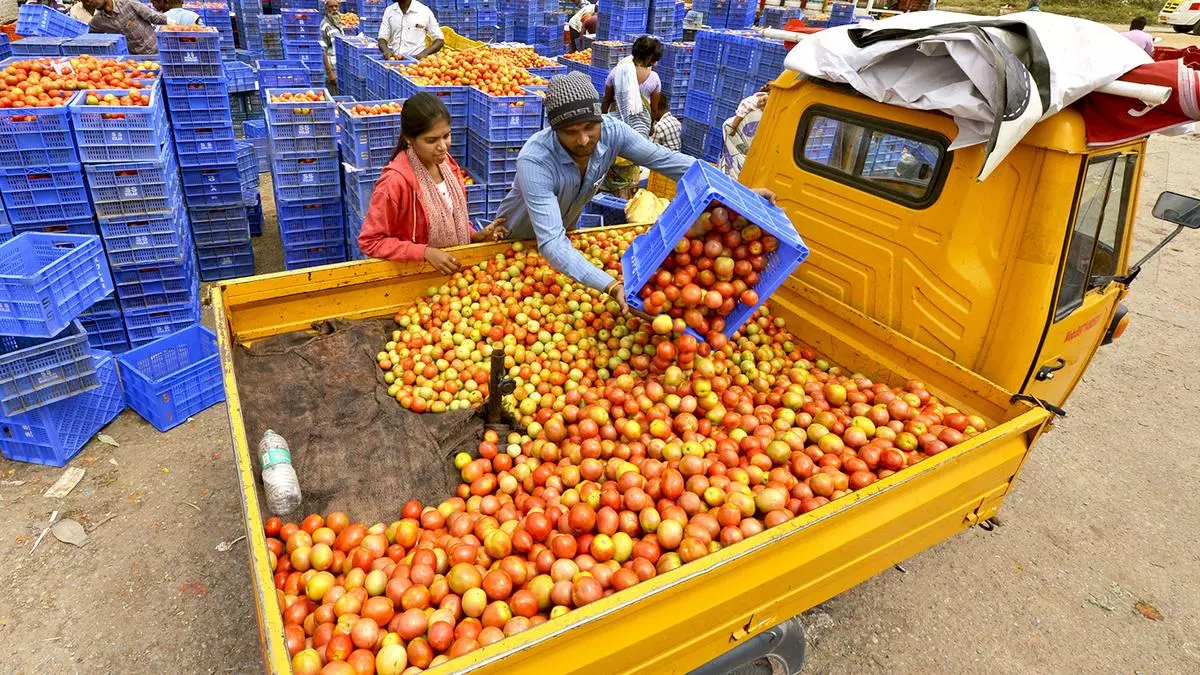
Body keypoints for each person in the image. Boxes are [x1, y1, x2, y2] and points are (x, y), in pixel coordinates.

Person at [492, 72, 775, 313]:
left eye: (590, 127)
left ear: (600, 117)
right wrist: (611, 284)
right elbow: (550, 241)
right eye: (570, 132)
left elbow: (668, 161)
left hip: (565, 240)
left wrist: (739, 191)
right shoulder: (535, 160)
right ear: (554, 130)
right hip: (512, 243)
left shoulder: (613, 132)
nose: (583, 140)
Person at [358, 93, 504, 272]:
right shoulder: (394, 182)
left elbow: (452, 220)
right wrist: (425, 252)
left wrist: (475, 236)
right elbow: (370, 242)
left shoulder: (448, 166)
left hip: (454, 274)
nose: (442, 146)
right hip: (414, 277)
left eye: (446, 136)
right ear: (408, 139)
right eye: (431, 140)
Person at [602, 35, 662, 137]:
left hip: (617, 125)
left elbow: (606, 100)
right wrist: (651, 125)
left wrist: (603, 119)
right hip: (640, 129)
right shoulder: (654, 78)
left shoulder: (617, 72)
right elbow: (654, 109)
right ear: (649, 57)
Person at [718, 86, 769, 179]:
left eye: (765, 102)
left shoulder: (765, 112)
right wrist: (733, 128)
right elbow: (738, 117)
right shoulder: (750, 103)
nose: (762, 103)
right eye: (763, 100)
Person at [83, 0, 167, 55]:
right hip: (134, 59)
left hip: (157, 51)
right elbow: (90, 38)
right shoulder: (97, 21)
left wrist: (174, 24)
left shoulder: (129, 4)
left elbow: (155, 17)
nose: (90, 2)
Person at [377, 0, 443, 60]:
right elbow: (382, 38)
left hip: (417, 63)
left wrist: (425, 53)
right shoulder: (389, 11)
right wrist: (386, 50)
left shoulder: (424, 11)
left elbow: (439, 40)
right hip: (395, 61)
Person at [319, 0, 343, 89]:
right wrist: (330, 73)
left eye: (336, 6)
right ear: (326, 8)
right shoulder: (325, 26)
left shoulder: (338, 24)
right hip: (333, 69)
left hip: (340, 68)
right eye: (331, 7)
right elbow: (323, 51)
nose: (334, 9)